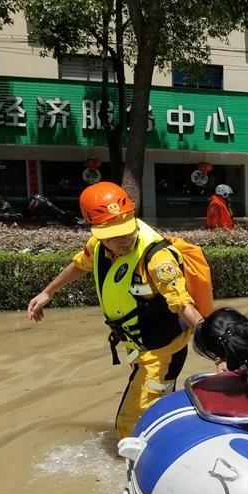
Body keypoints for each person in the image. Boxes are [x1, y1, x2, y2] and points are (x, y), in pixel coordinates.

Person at [27, 182, 204, 438]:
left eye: (128, 229)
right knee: (154, 412)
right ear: (98, 233)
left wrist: (214, 344)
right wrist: (48, 292)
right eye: (115, 235)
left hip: (162, 350)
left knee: (129, 426)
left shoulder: (157, 258)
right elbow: (80, 264)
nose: (125, 239)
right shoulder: (98, 246)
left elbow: (182, 302)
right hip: (139, 345)